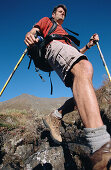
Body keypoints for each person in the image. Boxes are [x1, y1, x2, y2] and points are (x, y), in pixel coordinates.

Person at [24, 4, 111, 169]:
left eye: (64, 12)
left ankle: (57, 115)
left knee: (82, 96)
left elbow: (75, 52)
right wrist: (30, 35)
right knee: (85, 68)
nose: (62, 13)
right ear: (53, 13)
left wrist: (89, 45)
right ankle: (101, 148)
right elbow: (34, 30)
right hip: (54, 46)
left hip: (67, 50)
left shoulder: (67, 36)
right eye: (59, 11)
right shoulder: (46, 21)